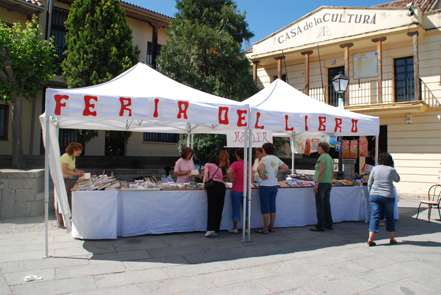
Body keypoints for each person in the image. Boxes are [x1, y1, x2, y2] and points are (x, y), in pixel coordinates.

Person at [367, 152, 400, 246]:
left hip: (375, 195)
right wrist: (393, 167)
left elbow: (370, 182)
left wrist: (371, 193)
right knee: (389, 216)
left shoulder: (375, 168)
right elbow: (397, 179)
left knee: (375, 216)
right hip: (388, 195)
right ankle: (392, 238)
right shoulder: (391, 170)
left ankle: (370, 238)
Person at [256, 143, 289, 234]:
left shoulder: (264, 159)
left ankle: (265, 228)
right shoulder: (276, 158)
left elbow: (259, 168)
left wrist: (261, 175)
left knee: (265, 207)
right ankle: (271, 226)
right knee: (272, 206)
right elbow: (286, 167)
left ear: (264, 150)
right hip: (274, 184)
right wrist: (276, 171)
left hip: (265, 185)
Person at [59, 142, 84, 228]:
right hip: (64, 179)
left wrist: (78, 171)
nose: (78, 155)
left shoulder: (71, 157)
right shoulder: (66, 156)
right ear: (73, 150)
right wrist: (76, 174)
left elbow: (72, 168)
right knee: (63, 199)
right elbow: (64, 170)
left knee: (68, 198)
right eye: (78, 153)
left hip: (68, 179)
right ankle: (61, 222)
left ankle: (66, 219)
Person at [310, 142, 334, 232]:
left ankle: (320, 225)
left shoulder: (322, 157)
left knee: (320, 205)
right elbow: (332, 171)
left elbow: (321, 171)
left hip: (322, 183)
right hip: (328, 182)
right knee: (326, 204)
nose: (317, 149)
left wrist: (317, 184)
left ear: (323, 148)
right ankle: (328, 223)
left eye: (318, 147)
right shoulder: (329, 157)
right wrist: (330, 179)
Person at [226, 148, 251, 234]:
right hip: (247, 189)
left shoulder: (235, 164)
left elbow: (228, 172)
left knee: (236, 208)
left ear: (239, 155)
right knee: (247, 209)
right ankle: (247, 228)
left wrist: (231, 179)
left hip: (236, 189)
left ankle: (235, 228)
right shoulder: (248, 163)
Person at [203, 155, 226, 237]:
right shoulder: (219, 168)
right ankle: (216, 229)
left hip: (214, 186)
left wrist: (204, 184)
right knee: (219, 208)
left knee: (212, 207)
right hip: (222, 186)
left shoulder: (207, 165)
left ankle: (210, 229)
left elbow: (205, 175)